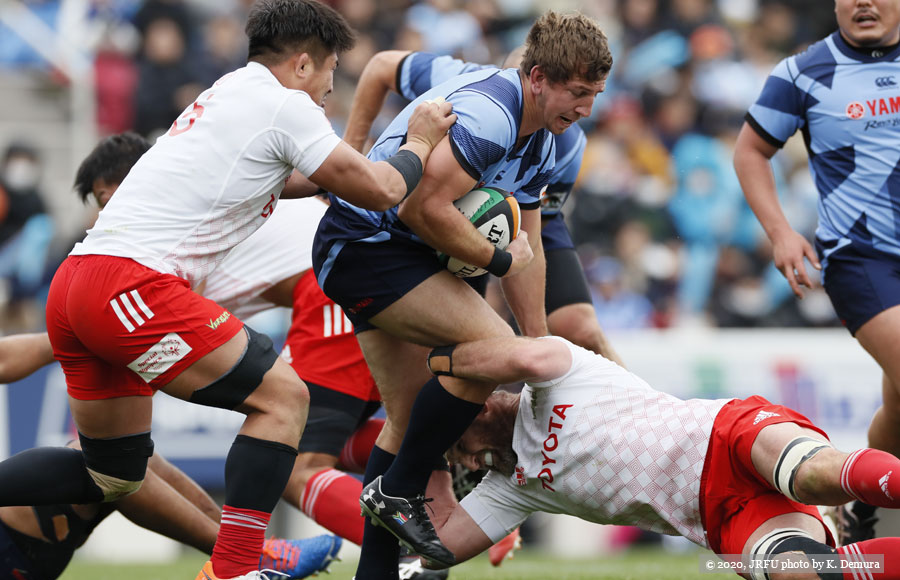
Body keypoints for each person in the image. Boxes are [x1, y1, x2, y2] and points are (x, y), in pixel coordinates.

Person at [0, 2, 455, 580]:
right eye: (331, 70)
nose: (329, 88)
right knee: (283, 399)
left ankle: (240, 563)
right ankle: (234, 569)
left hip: (80, 281)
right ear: (303, 63)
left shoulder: (228, 90)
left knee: (114, 474)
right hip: (133, 283)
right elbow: (384, 189)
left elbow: (295, 178)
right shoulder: (285, 103)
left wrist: (362, 165)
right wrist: (420, 141)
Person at [312, 10, 612, 578]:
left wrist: (541, 347)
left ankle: (376, 569)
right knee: (494, 352)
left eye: (594, 96)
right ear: (538, 78)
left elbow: (530, 249)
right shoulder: (491, 115)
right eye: (578, 93)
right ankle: (405, 486)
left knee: (407, 422)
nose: (586, 110)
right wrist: (497, 261)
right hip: (364, 246)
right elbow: (419, 208)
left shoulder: (543, 141)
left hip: (390, 253)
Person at [420, 334, 900, 579]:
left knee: (812, 474)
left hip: (725, 435)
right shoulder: (511, 488)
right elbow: (439, 546)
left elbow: (527, 357)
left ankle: (859, 501)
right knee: (797, 570)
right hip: (722, 518)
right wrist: (429, 468)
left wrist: (432, 361)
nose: (469, 464)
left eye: (458, 448)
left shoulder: (553, 379)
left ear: (480, 406)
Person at [733, 0, 900, 545]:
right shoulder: (802, 73)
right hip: (861, 259)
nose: (864, 2)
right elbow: (750, 152)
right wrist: (781, 231)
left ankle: (856, 501)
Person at [343, 48, 624, 366]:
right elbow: (382, 66)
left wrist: (537, 339)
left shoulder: (564, 147)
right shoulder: (471, 88)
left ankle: (634, 397)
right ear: (530, 80)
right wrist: (350, 165)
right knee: (487, 345)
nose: (586, 109)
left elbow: (527, 236)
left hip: (509, 206)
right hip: (426, 212)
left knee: (578, 328)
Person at [0, 439, 342, 580]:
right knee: (110, 464)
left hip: (25, 544)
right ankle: (252, 556)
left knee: (124, 455)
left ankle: (247, 548)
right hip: (15, 550)